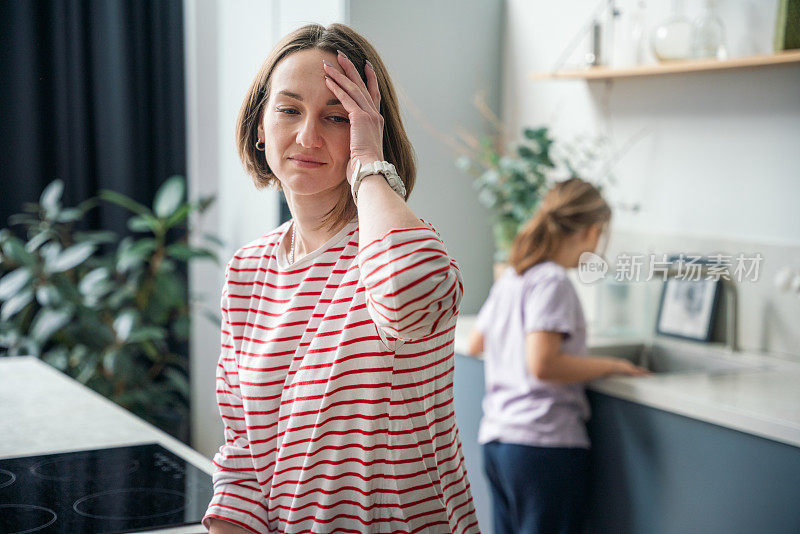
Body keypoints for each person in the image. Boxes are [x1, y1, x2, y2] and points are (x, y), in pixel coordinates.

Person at [203, 23, 480, 534]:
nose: (308, 136)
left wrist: (370, 164)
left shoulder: (404, 249)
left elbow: (403, 292)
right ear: (260, 125)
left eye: (336, 117)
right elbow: (243, 460)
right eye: (289, 110)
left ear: (367, 129)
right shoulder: (248, 270)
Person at [466, 178, 649, 534]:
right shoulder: (553, 281)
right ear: (592, 232)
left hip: (498, 442)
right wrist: (614, 366)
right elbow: (543, 364)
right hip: (543, 446)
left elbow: (477, 343)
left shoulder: (514, 276)